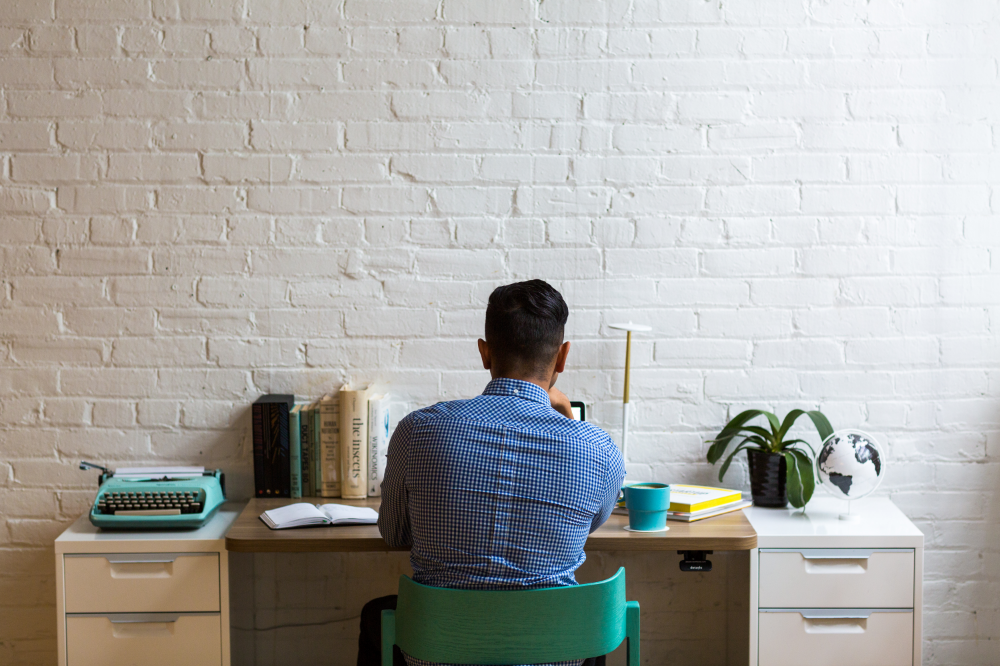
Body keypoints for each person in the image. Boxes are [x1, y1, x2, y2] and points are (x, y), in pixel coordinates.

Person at [358, 279, 626, 666]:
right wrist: (570, 423)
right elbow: (588, 527)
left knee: (377, 613)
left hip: (439, 650)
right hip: (552, 651)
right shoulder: (598, 450)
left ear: (485, 353)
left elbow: (394, 533)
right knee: (588, 624)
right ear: (563, 358)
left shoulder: (418, 430)